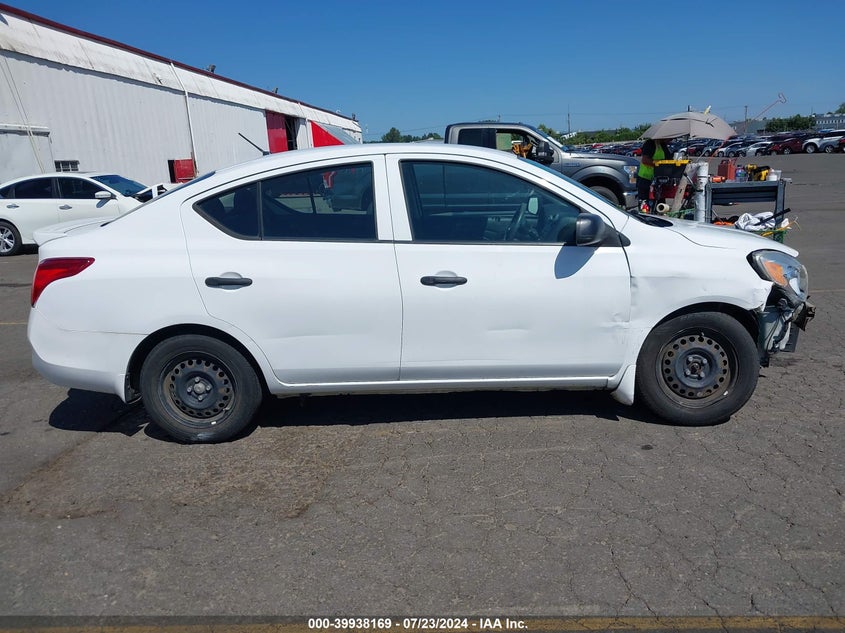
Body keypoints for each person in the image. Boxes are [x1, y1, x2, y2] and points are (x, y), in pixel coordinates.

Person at [637, 137, 673, 210]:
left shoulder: (663, 145)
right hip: (646, 179)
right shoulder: (650, 143)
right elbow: (645, 160)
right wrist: (659, 164)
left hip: (658, 180)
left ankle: (658, 215)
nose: (670, 141)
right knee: (645, 205)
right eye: (669, 139)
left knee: (660, 205)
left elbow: (668, 159)